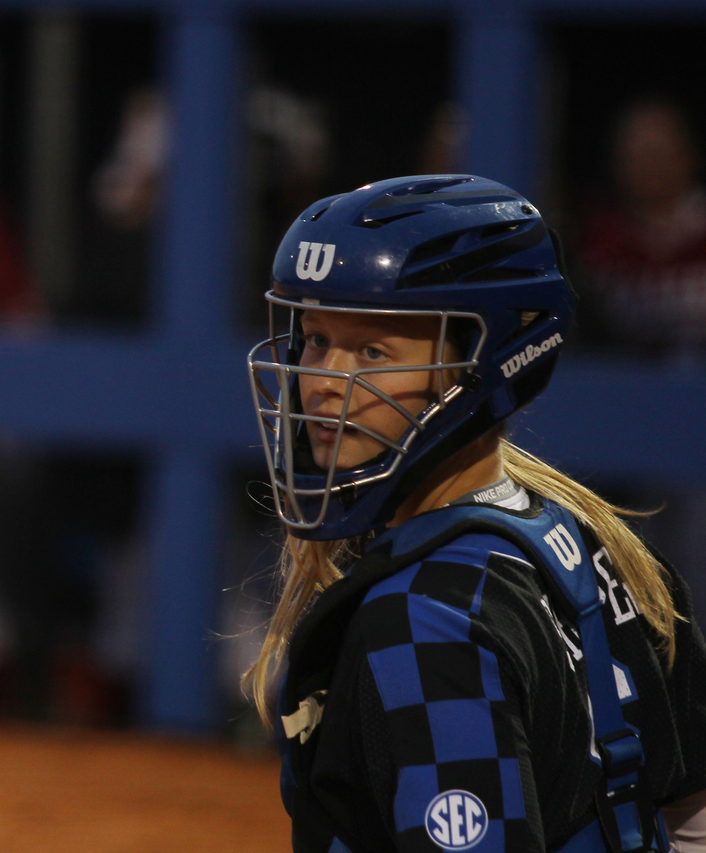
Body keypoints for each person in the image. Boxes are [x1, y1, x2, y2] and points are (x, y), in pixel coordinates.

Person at [243, 175, 706, 852]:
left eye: (372, 351)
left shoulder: (424, 617)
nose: (320, 382)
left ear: (479, 368)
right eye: (315, 338)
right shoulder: (598, 542)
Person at [575, 100, 706, 357]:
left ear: (689, 154)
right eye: (638, 154)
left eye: (660, 152)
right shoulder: (597, 242)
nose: (651, 166)